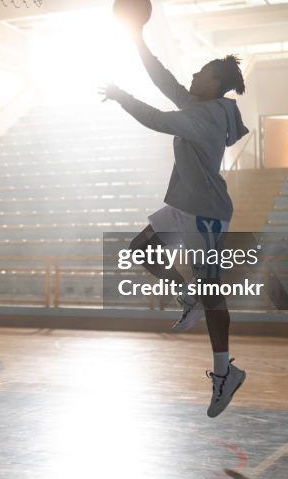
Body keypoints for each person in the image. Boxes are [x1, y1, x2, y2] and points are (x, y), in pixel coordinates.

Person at [100, 33, 249, 418]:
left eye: (200, 73)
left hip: (205, 212)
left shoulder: (206, 114)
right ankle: (189, 297)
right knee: (142, 249)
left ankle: (224, 373)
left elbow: (156, 119)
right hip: (185, 204)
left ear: (214, 84)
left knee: (214, 292)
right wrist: (137, 39)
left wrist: (121, 97)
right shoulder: (199, 103)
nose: (193, 76)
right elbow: (164, 81)